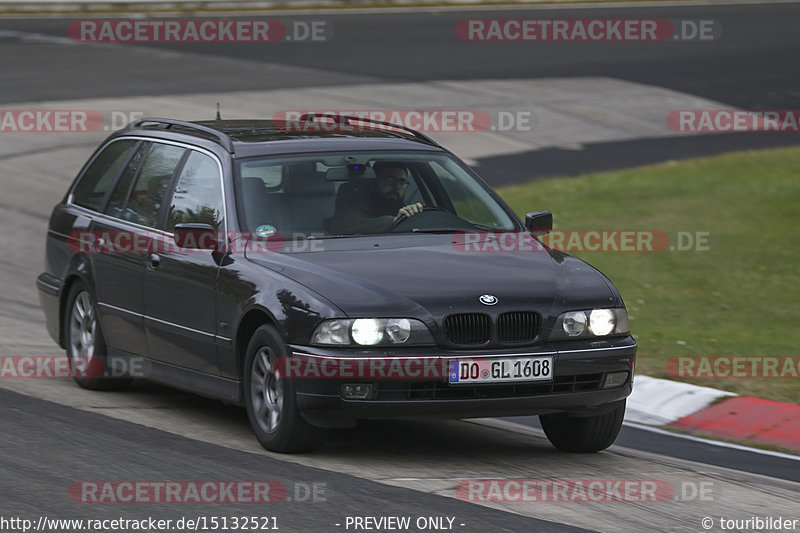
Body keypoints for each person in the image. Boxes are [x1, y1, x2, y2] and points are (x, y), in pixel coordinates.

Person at [330, 161, 423, 234]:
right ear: (375, 181)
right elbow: (345, 224)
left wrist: (414, 215)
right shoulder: (358, 202)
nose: (397, 186)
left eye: (402, 182)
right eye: (390, 180)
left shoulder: (404, 209)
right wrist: (394, 221)